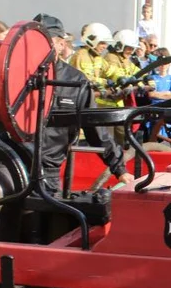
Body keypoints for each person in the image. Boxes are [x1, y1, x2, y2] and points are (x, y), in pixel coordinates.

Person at [32, 14, 133, 192]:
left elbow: (95, 128)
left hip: (47, 169)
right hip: (11, 162)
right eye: (34, 42)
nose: (39, 48)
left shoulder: (75, 80)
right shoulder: (14, 75)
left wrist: (120, 169)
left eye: (46, 42)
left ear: (61, 44)